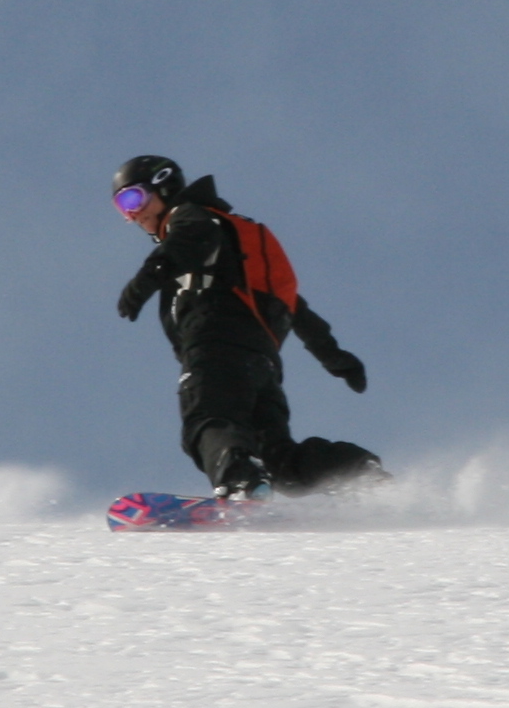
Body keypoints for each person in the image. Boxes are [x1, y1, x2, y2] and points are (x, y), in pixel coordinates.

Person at [110, 155, 379, 497]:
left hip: (215, 348)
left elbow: (187, 239)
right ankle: (354, 471)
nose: (132, 214)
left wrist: (143, 283)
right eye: (122, 208)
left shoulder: (191, 218)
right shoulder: (237, 240)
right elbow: (294, 306)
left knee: (206, 421)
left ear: (165, 185)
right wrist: (336, 358)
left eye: (133, 199)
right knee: (278, 461)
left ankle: (241, 486)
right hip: (261, 363)